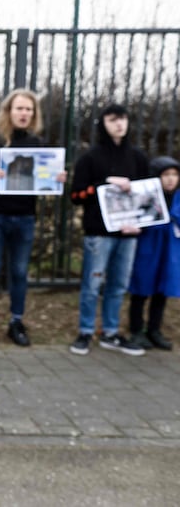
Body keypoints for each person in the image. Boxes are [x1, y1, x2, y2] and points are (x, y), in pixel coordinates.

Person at [0, 89, 66, 347]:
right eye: (20, 108)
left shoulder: (40, 146)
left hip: (25, 217)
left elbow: (45, 184)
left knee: (19, 271)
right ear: (9, 111)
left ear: (34, 114)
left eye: (29, 109)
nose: (24, 113)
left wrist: (56, 180)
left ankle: (17, 322)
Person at [69, 103, 149, 356]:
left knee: (118, 285)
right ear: (103, 123)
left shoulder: (138, 157)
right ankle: (85, 331)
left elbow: (148, 195)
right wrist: (104, 184)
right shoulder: (90, 158)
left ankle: (111, 332)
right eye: (113, 119)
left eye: (123, 119)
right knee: (92, 285)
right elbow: (76, 195)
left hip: (128, 234)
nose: (119, 124)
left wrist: (140, 224)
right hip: (99, 234)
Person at [127, 155, 179, 351]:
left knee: (161, 290)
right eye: (166, 174)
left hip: (169, 249)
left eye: (175, 174)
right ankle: (136, 330)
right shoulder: (146, 196)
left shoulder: (178, 198)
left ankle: (154, 330)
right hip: (148, 247)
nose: (171, 179)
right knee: (141, 289)